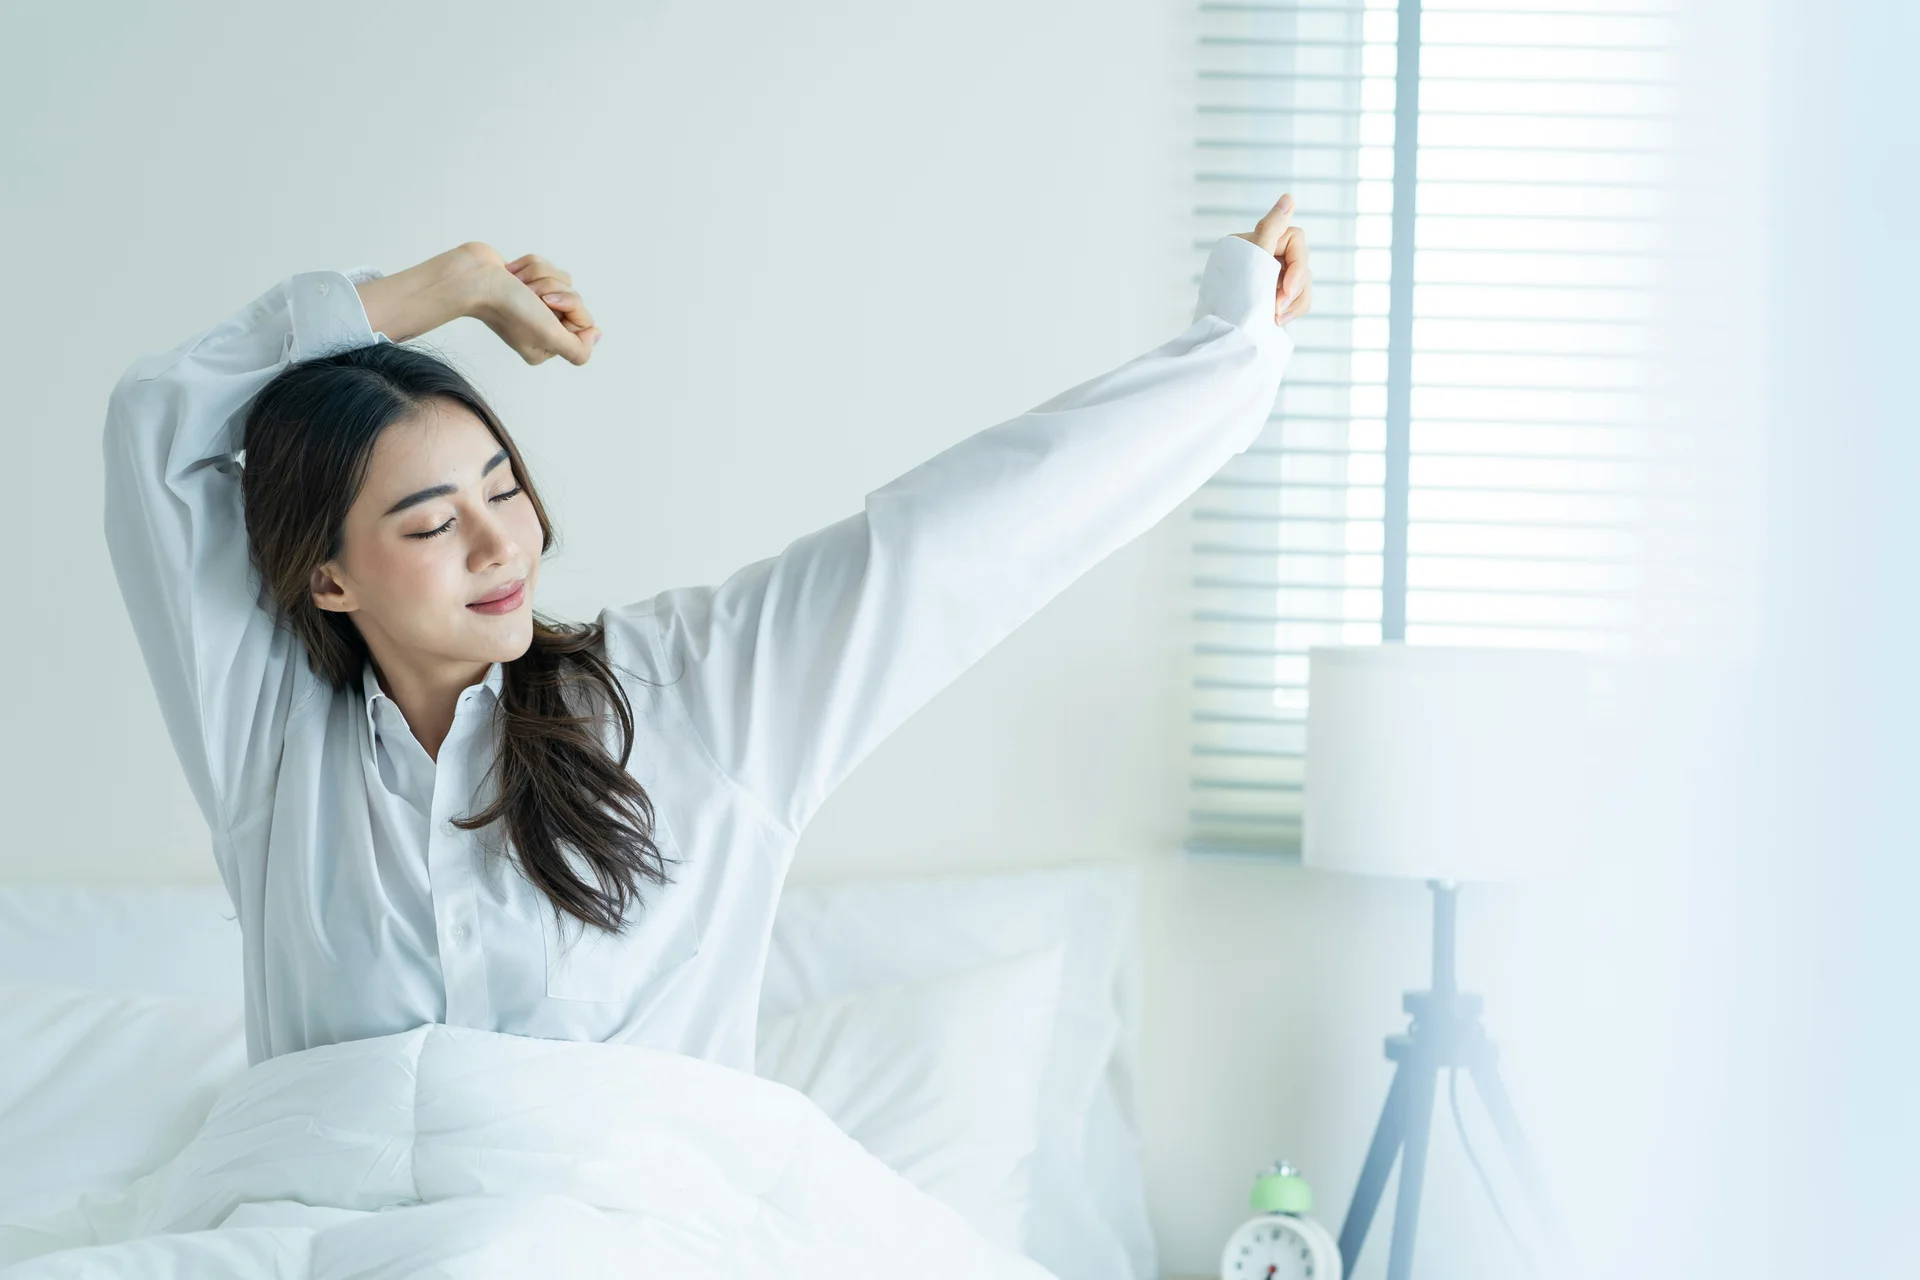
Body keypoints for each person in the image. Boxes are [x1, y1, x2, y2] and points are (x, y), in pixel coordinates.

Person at [102, 193, 1313, 1070]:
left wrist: (1229, 357)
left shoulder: (687, 694)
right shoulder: (269, 742)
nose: (497, 546)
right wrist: (451, 286)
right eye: (431, 524)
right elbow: (158, 422)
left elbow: (951, 544)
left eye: (503, 488)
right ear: (326, 579)